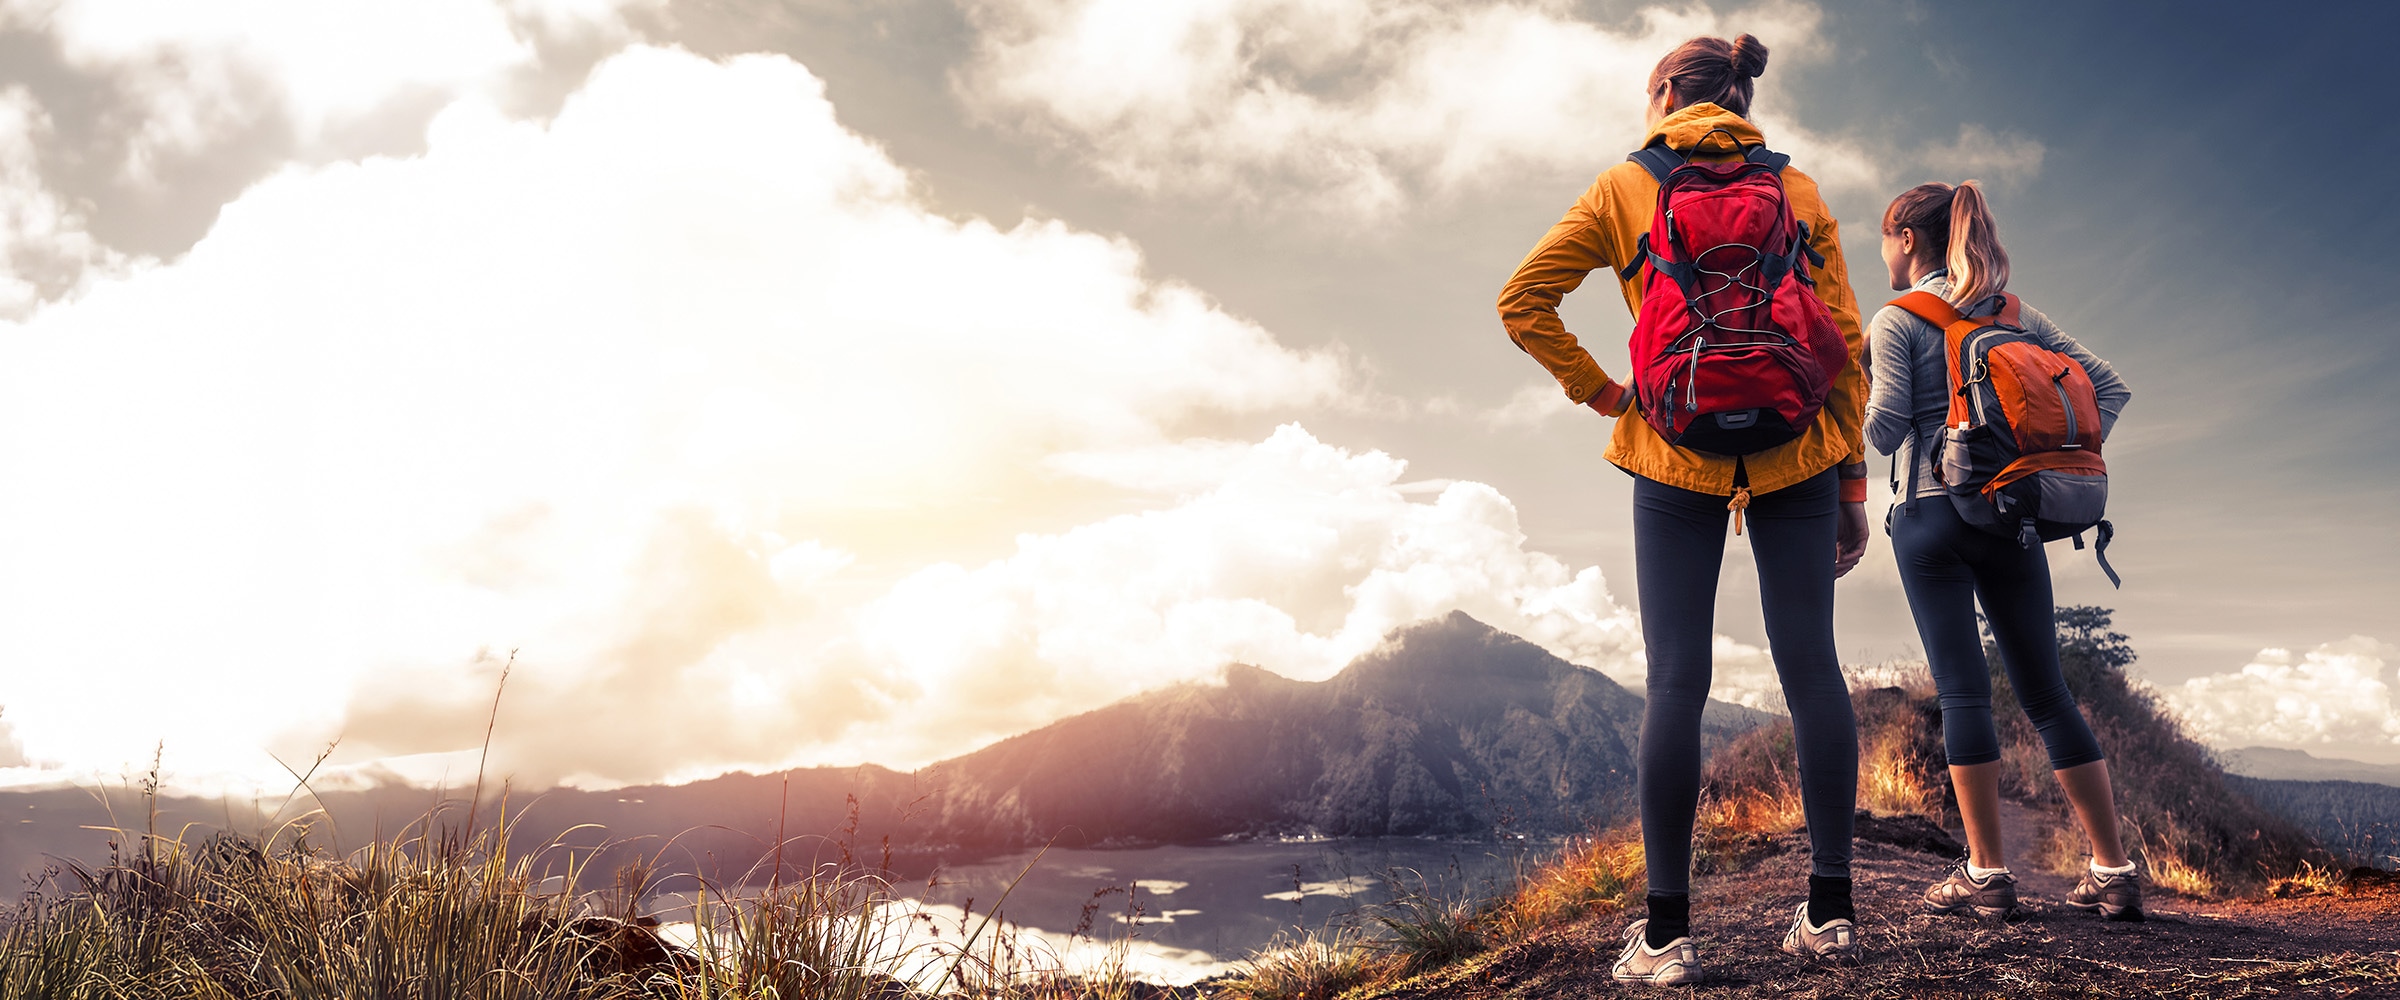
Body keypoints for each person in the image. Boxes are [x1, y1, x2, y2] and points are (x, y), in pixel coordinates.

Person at [1496, 33, 1870, 985]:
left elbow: (1522, 299)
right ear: (1743, 97)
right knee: (1812, 673)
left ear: (1663, 92)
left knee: (1675, 682)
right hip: (1797, 452)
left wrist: (1607, 394)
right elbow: (1848, 344)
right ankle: (1831, 916)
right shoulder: (1799, 189)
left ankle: (1666, 938)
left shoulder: (1624, 185)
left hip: (1671, 451)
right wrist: (1851, 481)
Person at [1864, 181, 2143, 921]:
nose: (1882, 253)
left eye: (1884, 240)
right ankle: (2112, 870)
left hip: (1930, 517)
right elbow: (2108, 388)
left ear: (1907, 238)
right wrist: (2037, 455)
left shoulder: (1896, 319)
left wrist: (1860, 394)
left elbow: (1886, 431)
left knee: (1963, 692)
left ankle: (1986, 874)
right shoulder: (2014, 313)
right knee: (2047, 692)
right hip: (2011, 518)